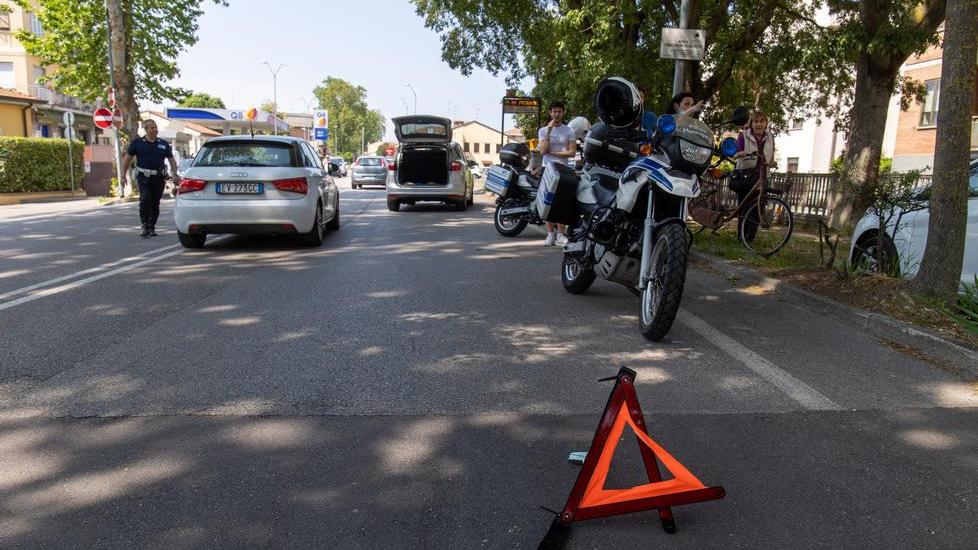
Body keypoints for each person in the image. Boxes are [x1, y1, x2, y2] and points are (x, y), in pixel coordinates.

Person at [122, 119, 179, 238]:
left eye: (155, 127)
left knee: (155, 203)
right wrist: (122, 176)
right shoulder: (137, 143)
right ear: (146, 129)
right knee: (145, 199)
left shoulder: (163, 144)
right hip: (143, 177)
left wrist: (174, 174)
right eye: (152, 128)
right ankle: (144, 225)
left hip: (158, 177)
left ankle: (152, 226)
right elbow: (127, 159)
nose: (155, 130)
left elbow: (171, 160)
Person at [537, 100, 576, 246]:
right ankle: (550, 234)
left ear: (563, 113)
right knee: (548, 201)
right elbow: (542, 150)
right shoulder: (543, 130)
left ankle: (561, 234)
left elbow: (572, 152)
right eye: (554, 112)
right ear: (550, 113)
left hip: (563, 169)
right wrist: (548, 131)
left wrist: (553, 152)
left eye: (559, 111)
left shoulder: (569, 131)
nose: (556, 114)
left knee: (562, 202)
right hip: (547, 169)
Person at [732, 110, 775, 243]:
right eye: (756, 121)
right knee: (743, 208)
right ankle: (741, 238)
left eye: (762, 121)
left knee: (758, 208)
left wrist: (772, 162)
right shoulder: (743, 135)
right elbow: (735, 152)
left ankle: (750, 238)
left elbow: (771, 154)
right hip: (746, 175)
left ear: (766, 123)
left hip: (762, 176)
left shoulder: (770, 137)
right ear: (751, 123)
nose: (759, 124)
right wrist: (740, 153)